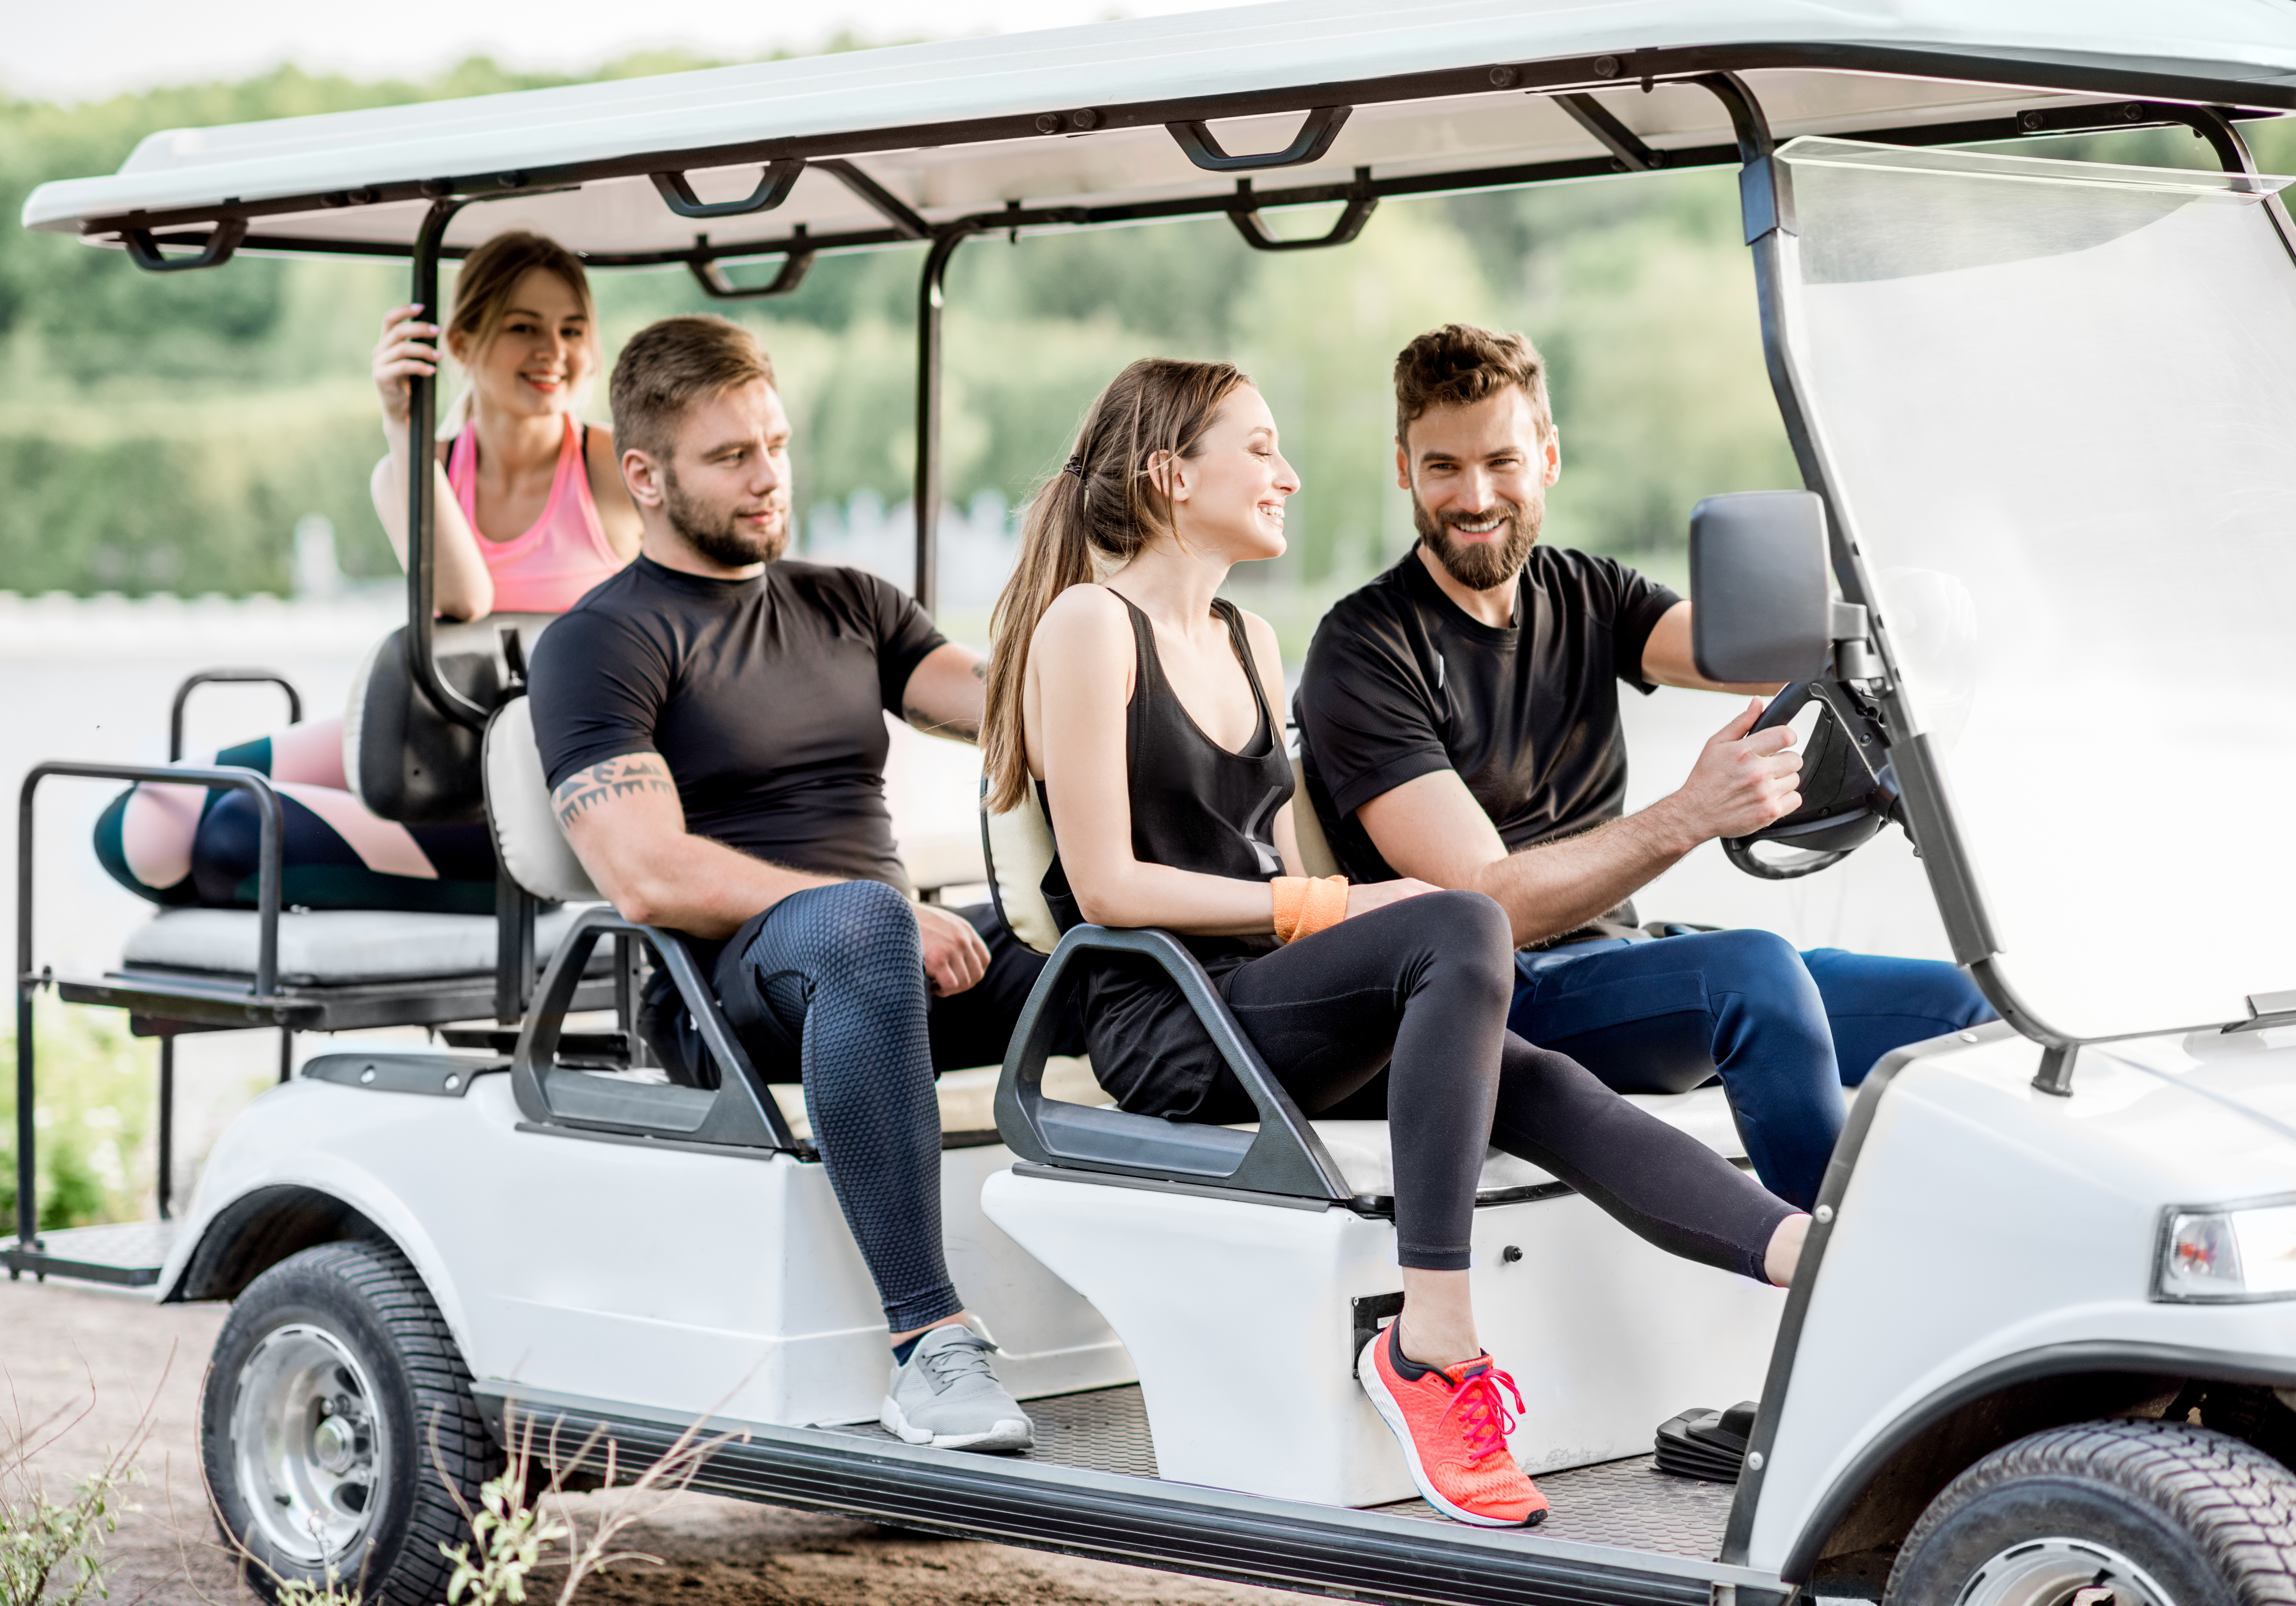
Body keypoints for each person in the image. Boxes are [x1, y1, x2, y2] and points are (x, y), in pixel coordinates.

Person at [982, 356, 1808, 1528]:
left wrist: (1337, 911)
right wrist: (1335, 910)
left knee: (1528, 1076)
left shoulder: (1251, 642)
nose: (1289, 474)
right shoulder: (1088, 626)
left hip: (1265, 993)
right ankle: (1434, 1342)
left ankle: (1807, 1260)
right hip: (1173, 1021)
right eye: (1260, 448)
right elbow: (1109, 887)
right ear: (1173, 475)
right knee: (1465, 918)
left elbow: (1277, 862)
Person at [1295, 324, 1996, 1211]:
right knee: (1755, 974)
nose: (1475, 497)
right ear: (1404, 470)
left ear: (1548, 458)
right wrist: (1691, 813)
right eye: (1443, 468)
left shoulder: (1587, 593)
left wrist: (1893, 625)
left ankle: (1991, 1252)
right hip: (1486, 1003)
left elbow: (1760, 649)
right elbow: (1486, 901)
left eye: (1503, 462)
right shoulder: (1364, 649)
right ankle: (1839, 1279)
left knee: (1957, 1009)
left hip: (1614, 962)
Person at [532, 314, 1058, 1455]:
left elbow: (1015, 709)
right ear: (646, 476)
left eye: (774, 444)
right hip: (727, 996)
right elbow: (646, 873)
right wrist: (889, 917)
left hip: (885, 964)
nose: (768, 476)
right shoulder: (600, 641)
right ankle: (930, 1344)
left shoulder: (850, 603)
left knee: (1091, 938)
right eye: (731, 457)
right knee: (866, 921)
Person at [92, 230, 642, 913]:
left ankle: (477, 887)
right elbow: (463, 596)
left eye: (572, 329)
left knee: (237, 833)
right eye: (523, 327)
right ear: (462, 344)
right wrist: (403, 425)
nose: (553, 352)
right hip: (434, 744)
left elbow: (470, 602)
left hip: (546, 790)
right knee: (143, 824)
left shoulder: (619, 469)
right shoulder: (410, 470)